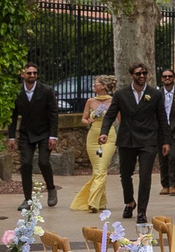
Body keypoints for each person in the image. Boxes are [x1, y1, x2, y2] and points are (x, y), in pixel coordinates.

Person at [101, 62, 167, 218]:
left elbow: (162, 118)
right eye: (138, 74)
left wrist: (166, 141)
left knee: (145, 176)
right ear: (131, 75)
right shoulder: (121, 94)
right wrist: (104, 132)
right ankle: (130, 202)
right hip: (127, 139)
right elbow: (110, 115)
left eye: (144, 73)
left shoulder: (155, 94)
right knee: (125, 174)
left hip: (148, 140)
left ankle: (142, 211)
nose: (142, 76)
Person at [6, 64, 59, 206]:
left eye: (35, 73)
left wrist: (53, 136)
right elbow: (12, 116)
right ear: (22, 75)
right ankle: (28, 199)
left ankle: (51, 188)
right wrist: (11, 137)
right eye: (29, 73)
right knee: (25, 164)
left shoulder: (46, 90)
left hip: (44, 132)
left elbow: (53, 114)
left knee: (43, 162)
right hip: (26, 133)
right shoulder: (16, 92)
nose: (32, 75)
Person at [71, 74, 115, 212]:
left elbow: (120, 119)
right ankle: (101, 201)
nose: (93, 85)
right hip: (93, 137)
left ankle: (93, 202)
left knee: (101, 168)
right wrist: (88, 120)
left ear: (103, 86)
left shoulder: (114, 101)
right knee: (97, 169)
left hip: (109, 137)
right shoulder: (90, 101)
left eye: (96, 83)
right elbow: (83, 119)